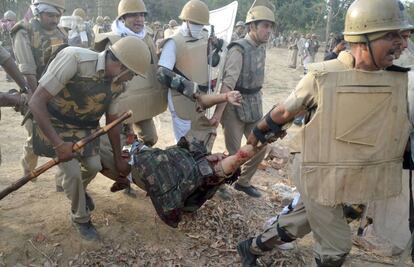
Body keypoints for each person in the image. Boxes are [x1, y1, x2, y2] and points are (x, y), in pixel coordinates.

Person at [236, 0, 413, 266]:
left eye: (404, 35)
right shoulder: (324, 77)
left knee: (306, 219)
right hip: (316, 169)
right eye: (391, 35)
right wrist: (258, 137)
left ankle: (252, 247)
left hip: (354, 170)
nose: (402, 44)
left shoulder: (396, 79)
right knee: (336, 247)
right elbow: (283, 113)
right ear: (362, 38)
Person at [28, 36, 151, 240]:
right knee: (74, 172)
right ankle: (81, 219)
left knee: (94, 166)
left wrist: (119, 158)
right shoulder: (74, 59)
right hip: (53, 124)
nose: (132, 79)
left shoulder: (118, 84)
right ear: (121, 66)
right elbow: (36, 102)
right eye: (132, 74)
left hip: (84, 128)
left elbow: (112, 122)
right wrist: (58, 145)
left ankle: (75, 191)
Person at [94, 0, 168, 196]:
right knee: (125, 146)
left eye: (142, 15)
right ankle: (125, 180)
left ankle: (136, 169)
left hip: (143, 103)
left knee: (150, 138)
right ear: (123, 18)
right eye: (134, 15)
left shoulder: (148, 38)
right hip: (122, 105)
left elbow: (154, 68)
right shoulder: (113, 40)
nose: (139, 19)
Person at [210, 0, 276, 199]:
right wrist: (218, 114)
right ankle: (218, 183)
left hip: (254, 102)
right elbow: (228, 84)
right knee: (236, 153)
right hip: (234, 106)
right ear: (251, 27)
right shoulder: (238, 49)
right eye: (265, 25)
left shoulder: (261, 46)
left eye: (270, 26)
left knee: (261, 145)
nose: (269, 31)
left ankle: (243, 182)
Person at [11, 0, 68, 179]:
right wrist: (38, 100)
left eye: (57, 16)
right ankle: (28, 168)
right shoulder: (24, 31)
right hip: (33, 90)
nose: (54, 20)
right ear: (38, 12)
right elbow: (27, 70)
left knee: (63, 133)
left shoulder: (62, 32)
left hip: (59, 92)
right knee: (36, 133)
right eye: (50, 15)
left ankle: (63, 178)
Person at [158, 0, 220, 152]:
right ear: (186, 21)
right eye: (195, 24)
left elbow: (213, 62)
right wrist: (191, 89)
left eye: (202, 24)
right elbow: (162, 73)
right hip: (182, 100)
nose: (199, 28)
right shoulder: (174, 42)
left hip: (202, 100)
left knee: (200, 139)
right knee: (184, 144)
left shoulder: (206, 37)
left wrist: (216, 48)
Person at [0, 10, 17, 82]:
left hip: (12, 46)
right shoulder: (4, 26)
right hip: (7, 47)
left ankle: (9, 76)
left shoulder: (14, 25)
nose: (8, 22)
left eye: (9, 20)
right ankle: (9, 77)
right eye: (7, 20)